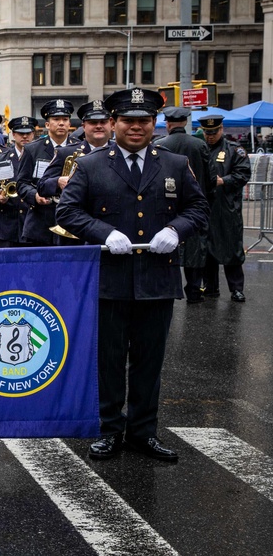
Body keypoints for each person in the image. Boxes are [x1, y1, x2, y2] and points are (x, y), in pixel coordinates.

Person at [56, 88, 209, 462]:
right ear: (113, 123)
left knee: (148, 361)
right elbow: (68, 212)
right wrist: (104, 232)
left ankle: (143, 432)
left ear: (153, 123)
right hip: (110, 278)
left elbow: (199, 208)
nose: (136, 127)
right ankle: (110, 429)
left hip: (157, 279)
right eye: (128, 120)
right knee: (109, 360)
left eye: (143, 120)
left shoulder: (172, 163)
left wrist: (175, 230)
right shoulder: (91, 165)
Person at [36, 100, 115, 244]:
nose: (98, 126)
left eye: (103, 122)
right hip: (75, 231)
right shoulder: (66, 152)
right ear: (83, 126)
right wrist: (58, 181)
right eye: (92, 122)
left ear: (112, 124)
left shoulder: (120, 152)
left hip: (112, 229)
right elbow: (42, 186)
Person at [156, 107, 213, 302]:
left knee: (165, 244)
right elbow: (210, 176)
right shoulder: (199, 145)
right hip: (193, 202)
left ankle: (165, 289)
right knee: (195, 247)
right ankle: (194, 290)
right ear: (185, 123)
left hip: (166, 203)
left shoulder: (159, 144)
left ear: (168, 124)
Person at [199, 114, 251, 302]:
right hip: (206, 207)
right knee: (208, 249)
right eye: (207, 132)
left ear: (221, 129)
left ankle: (236, 289)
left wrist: (224, 181)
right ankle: (210, 287)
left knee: (232, 249)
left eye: (213, 132)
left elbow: (244, 173)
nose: (210, 136)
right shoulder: (201, 149)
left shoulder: (234, 150)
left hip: (227, 207)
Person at [17, 99, 77, 246]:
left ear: (70, 124)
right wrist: (35, 196)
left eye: (65, 119)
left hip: (71, 221)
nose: (61, 123)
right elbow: (22, 183)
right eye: (56, 119)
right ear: (47, 124)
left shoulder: (78, 148)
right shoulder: (32, 149)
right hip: (40, 222)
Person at [0, 116, 35, 247]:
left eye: (28, 133)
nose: (25, 137)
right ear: (13, 134)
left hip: (32, 226)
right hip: (5, 226)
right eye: (20, 133)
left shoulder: (40, 158)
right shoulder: (0, 159)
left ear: (33, 134)